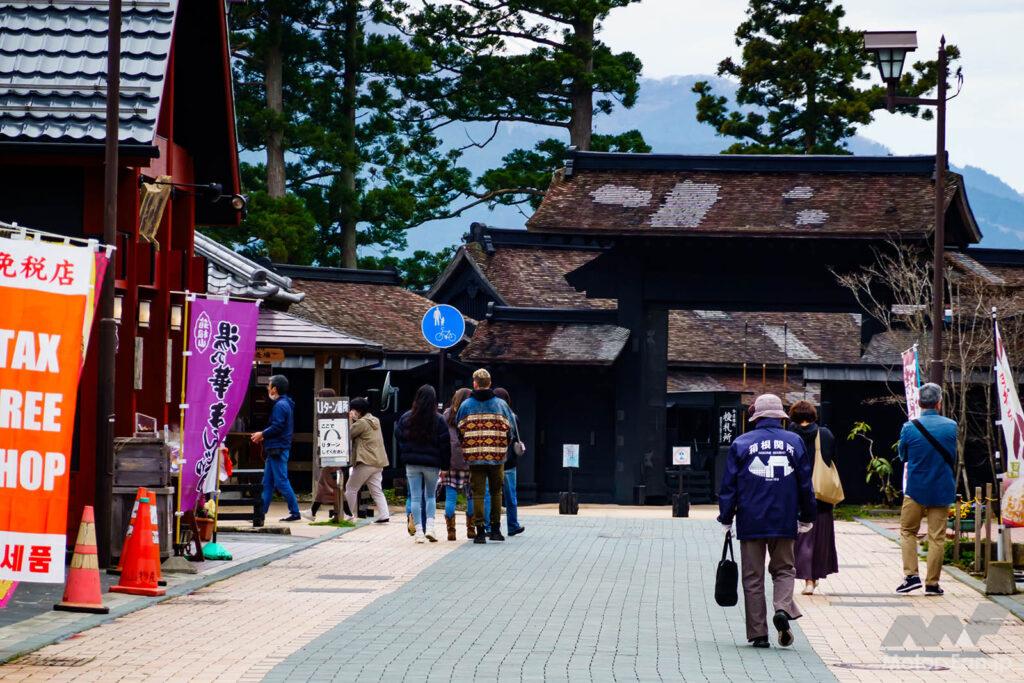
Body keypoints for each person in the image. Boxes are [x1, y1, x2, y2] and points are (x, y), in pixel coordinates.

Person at [718, 393, 816, 649]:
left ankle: (758, 633)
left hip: (750, 519)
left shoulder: (741, 443)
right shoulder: (794, 442)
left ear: (756, 416)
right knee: (784, 569)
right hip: (784, 518)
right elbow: (805, 484)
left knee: (753, 577)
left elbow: (729, 486)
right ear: (780, 417)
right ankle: (782, 609)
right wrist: (807, 516)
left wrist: (726, 517)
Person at [896, 382, 956, 596]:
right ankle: (932, 584)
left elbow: (903, 456)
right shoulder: (951, 426)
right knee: (936, 537)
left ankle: (911, 576)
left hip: (915, 489)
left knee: (907, 531)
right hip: (942, 487)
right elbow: (953, 455)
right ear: (939, 403)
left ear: (919, 403)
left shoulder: (909, 427)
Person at [457, 368, 515, 544]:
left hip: (475, 457)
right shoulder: (501, 405)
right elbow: (510, 432)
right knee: (497, 492)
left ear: (474, 383)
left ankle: (480, 531)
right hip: (497, 457)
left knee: (478, 494)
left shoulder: (466, 406)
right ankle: (496, 530)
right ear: (490, 383)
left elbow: (460, 429)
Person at [788, 400, 839, 595]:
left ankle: (804, 579)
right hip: (820, 496)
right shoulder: (825, 434)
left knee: (801, 539)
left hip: (795, 496)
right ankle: (812, 579)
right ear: (812, 415)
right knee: (819, 539)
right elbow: (833, 458)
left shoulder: (790, 436)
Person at [395, 385, 451, 543]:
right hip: (432, 464)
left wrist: (406, 452)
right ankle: (431, 528)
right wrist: (445, 466)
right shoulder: (438, 419)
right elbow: (445, 444)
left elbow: (398, 436)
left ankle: (419, 531)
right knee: (431, 495)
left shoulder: (406, 417)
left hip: (412, 463)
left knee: (415, 498)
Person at [250, 375, 302, 522]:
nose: (267, 388)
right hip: (276, 448)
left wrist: (262, 434)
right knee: (267, 483)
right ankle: (260, 513)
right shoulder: (286, 404)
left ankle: (295, 512)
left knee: (281, 482)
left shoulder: (280, 405)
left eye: (269, 385)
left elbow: (277, 426)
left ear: (275, 389)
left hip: (277, 448)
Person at [483, 387, 525, 537]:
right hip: (509, 461)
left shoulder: (488, 416)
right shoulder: (513, 417)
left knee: (489, 494)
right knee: (510, 495)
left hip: (491, 460)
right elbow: (515, 438)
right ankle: (512, 525)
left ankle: (487, 526)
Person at [344, 397, 391, 524]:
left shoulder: (362, 423)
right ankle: (384, 515)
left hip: (366, 461)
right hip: (378, 461)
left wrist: (349, 419)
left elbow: (347, 434)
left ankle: (348, 515)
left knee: (351, 487)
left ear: (357, 411)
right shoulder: (375, 420)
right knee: (376, 490)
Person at [441, 388, 475, 540]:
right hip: (471, 460)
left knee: (450, 497)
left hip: (451, 461)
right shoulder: (473, 414)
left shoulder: (447, 414)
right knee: (471, 496)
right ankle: (471, 529)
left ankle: (451, 531)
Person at [307, 388, 342, 521]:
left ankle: (312, 512)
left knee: (325, 484)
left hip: (331, 453)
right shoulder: (337, 412)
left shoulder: (327, 414)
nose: (318, 399)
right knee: (332, 485)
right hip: (333, 452)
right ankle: (313, 512)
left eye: (319, 396)